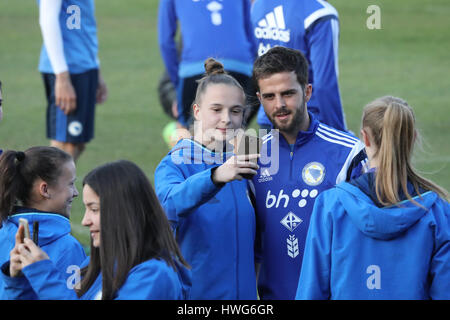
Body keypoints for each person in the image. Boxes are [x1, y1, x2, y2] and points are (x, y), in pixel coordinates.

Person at [296, 96, 450, 300]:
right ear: (411, 138)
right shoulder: (438, 213)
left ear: (365, 139)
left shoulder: (331, 205)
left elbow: (311, 292)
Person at [250, 46, 367, 300]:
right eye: (269, 96)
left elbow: (365, 238)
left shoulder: (347, 152)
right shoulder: (251, 156)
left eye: (288, 93)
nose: (279, 105)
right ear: (259, 99)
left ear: (308, 91)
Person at [2, 160, 191, 300]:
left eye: (94, 209)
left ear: (123, 211)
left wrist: (43, 273)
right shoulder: (97, 266)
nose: (85, 221)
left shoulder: (153, 277)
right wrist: (18, 281)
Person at [155, 58, 259, 300]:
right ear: (197, 111)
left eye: (235, 111)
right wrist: (215, 177)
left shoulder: (244, 164)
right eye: (216, 109)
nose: (226, 119)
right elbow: (168, 206)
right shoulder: (175, 163)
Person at [158, 0, 258, 132]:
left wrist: (178, 84)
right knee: (237, 129)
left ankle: (182, 139)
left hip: (194, 67)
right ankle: (241, 148)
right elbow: (251, 35)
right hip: (241, 65)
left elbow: (165, 41)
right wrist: (251, 74)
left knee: (187, 131)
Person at [0, 146, 86, 299]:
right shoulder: (68, 248)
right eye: (71, 184)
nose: (75, 192)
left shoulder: (3, 235)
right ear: (45, 190)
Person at [251, 0, 347, 131]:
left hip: (269, 118)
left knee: (271, 152)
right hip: (306, 123)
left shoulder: (258, 5)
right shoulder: (320, 14)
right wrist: (339, 133)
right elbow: (325, 85)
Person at [38, 0, 108, 161]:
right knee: (64, 145)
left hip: (85, 66)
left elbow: (83, 24)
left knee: (78, 142)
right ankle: (48, 186)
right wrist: (62, 77)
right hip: (67, 69)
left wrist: (96, 69)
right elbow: (47, 19)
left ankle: (61, 185)